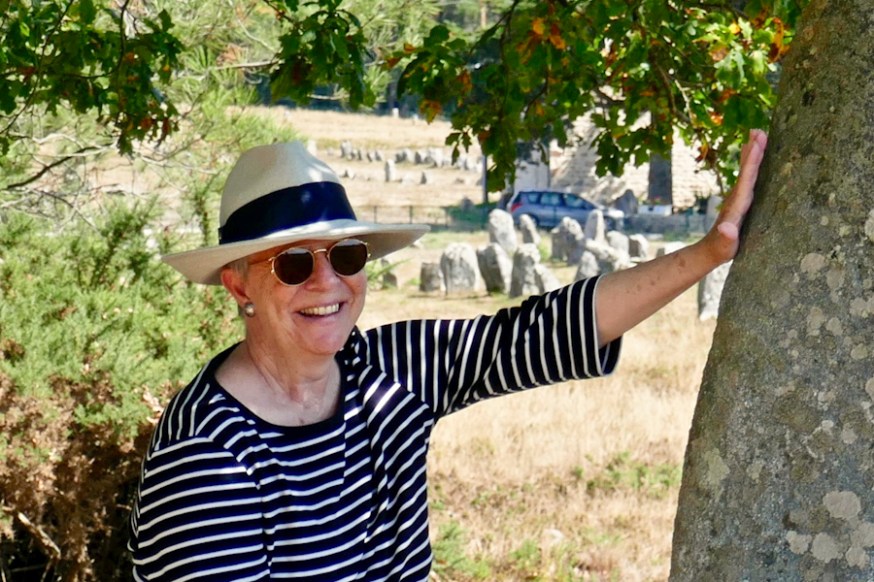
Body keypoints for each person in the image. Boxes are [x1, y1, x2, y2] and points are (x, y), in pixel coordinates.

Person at [129, 132, 767, 580]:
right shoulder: (208, 455)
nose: (327, 283)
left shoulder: (387, 373)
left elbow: (543, 333)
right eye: (293, 263)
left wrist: (709, 252)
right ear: (239, 285)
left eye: (346, 255)